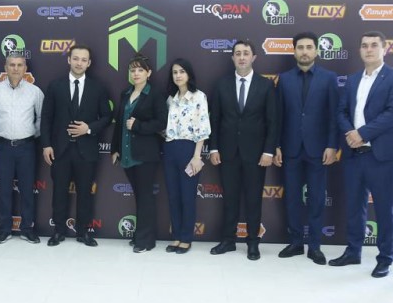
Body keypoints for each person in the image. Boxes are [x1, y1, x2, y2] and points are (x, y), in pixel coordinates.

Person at [330, 31, 393, 278]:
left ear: (385, 49)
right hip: (353, 153)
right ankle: (353, 251)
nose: (369, 49)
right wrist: (351, 134)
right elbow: (341, 111)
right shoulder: (353, 80)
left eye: (375, 45)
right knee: (354, 206)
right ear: (360, 50)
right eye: (365, 45)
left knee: (384, 208)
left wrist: (362, 133)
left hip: (380, 154)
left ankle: (385, 258)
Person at [208, 40, 279, 261]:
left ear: (253, 57)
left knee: (253, 199)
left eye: (245, 53)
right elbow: (215, 119)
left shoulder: (265, 85)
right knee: (230, 199)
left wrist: (269, 151)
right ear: (232, 58)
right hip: (227, 152)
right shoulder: (221, 84)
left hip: (256, 155)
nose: (241, 57)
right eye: (237, 53)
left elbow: (273, 121)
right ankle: (228, 240)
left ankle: (253, 242)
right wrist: (214, 148)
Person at [274, 31, 339, 265]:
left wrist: (332, 145)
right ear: (294, 52)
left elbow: (334, 115)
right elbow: (278, 116)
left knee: (316, 199)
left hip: (318, 149)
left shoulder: (329, 78)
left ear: (316, 51)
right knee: (292, 198)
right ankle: (295, 243)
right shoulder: (284, 79)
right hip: (290, 148)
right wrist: (276, 145)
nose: (304, 52)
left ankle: (314, 246)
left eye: (309, 47)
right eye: (300, 47)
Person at [40, 44, 112, 247]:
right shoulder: (55, 86)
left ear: (89, 63)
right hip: (60, 150)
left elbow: (107, 117)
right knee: (59, 192)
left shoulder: (98, 87)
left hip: (86, 150)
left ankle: (83, 232)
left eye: (83, 60)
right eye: (76, 58)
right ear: (69, 60)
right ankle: (58, 231)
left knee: (85, 194)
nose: (79, 63)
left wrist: (88, 128)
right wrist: (46, 145)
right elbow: (46, 118)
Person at [0, 52, 44, 244]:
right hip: (3, 147)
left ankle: (27, 229)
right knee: (4, 190)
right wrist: (0, 131)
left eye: (19, 65)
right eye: (12, 65)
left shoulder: (35, 92)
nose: (16, 68)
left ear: (25, 68)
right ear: (5, 67)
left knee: (27, 190)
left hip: (27, 147)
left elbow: (42, 118)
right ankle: (4, 229)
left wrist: (31, 133)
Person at [111, 55, 168, 253]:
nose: (136, 74)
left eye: (140, 70)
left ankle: (145, 241)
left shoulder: (155, 94)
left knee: (145, 197)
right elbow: (119, 123)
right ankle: (141, 235)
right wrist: (115, 148)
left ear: (148, 73)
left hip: (145, 155)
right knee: (139, 196)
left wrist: (138, 126)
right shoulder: (125, 93)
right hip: (126, 153)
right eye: (133, 70)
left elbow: (161, 123)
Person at [162, 58, 210, 253]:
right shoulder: (170, 99)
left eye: (182, 71)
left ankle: (186, 238)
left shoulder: (199, 97)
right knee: (173, 196)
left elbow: (203, 128)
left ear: (189, 74)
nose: (178, 75)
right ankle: (176, 236)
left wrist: (197, 156)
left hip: (189, 150)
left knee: (187, 196)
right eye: (175, 72)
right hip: (170, 149)